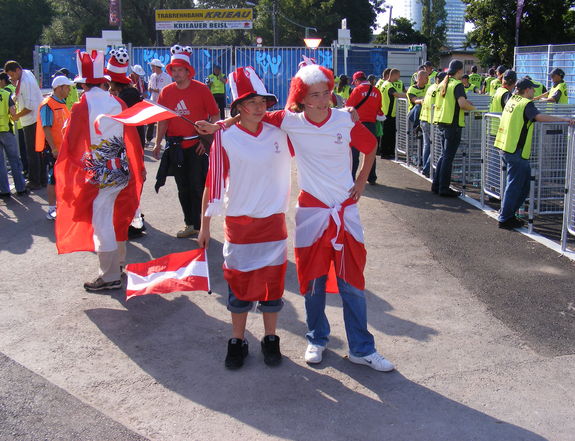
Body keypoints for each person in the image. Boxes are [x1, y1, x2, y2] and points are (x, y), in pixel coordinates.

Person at [198, 64, 395, 372]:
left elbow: (370, 148)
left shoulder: (343, 119)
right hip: (311, 212)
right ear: (301, 98)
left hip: (345, 211)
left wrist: (361, 182)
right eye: (314, 94)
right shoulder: (289, 122)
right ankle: (317, 338)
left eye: (326, 93)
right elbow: (249, 115)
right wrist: (222, 124)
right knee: (312, 282)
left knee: (353, 284)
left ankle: (361, 348)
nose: (322, 100)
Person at [198, 67, 290, 370]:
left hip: (273, 221)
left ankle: (270, 338)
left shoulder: (279, 132)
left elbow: (308, 117)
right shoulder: (225, 138)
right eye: (251, 102)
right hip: (240, 222)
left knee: (272, 286)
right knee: (238, 287)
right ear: (238, 106)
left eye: (263, 101)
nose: (260, 107)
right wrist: (204, 226)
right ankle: (237, 339)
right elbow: (212, 183)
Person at [55, 49, 144, 291]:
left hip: (99, 173)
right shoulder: (117, 101)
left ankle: (109, 275)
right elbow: (131, 136)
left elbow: (72, 142)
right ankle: (120, 264)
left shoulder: (82, 106)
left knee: (102, 219)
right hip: (120, 167)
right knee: (117, 216)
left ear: (83, 83)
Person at [154, 45, 220, 238]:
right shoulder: (166, 92)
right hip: (176, 147)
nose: (176, 73)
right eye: (173, 70)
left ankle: (201, 227)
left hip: (197, 147)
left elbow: (215, 116)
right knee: (182, 187)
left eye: (180, 69)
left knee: (197, 186)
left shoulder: (201, 89)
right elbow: (163, 120)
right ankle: (189, 224)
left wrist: (206, 141)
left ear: (188, 71)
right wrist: (158, 143)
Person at [494, 78, 575, 229]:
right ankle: (505, 218)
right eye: (532, 89)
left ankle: (508, 215)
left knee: (522, 185)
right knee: (515, 185)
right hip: (515, 150)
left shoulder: (513, 99)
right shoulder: (526, 103)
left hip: (507, 147)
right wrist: (564, 120)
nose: (534, 91)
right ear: (527, 90)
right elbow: (538, 117)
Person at [106, 48, 147, 239]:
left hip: (128, 146)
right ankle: (134, 220)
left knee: (128, 187)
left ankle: (134, 223)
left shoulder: (125, 97)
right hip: (130, 144)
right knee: (128, 185)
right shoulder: (129, 94)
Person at [431, 59, 476, 197]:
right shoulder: (457, 84)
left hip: (442, 122)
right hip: (453, 124)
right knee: (448, 157)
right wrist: (474, 108)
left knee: (444, 156)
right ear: (459, 71)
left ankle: (437, 185)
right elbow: (462, 104)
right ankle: (444, 187)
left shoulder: (443, 84)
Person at [35, 75, 72, 219]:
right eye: (67, 87)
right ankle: (51, 209)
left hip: (62, 148)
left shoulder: (61, 103)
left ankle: (62, 205)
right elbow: (46, 127)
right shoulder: (48, 104)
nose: (69, 90)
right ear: (60, 88)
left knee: (62, 177)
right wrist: (53, 148)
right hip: (53, 149)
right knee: (53, 178)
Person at [4, 60, 44, 190]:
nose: (11, 78)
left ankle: (34, 181)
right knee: (38, 151)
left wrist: (16, 116)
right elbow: (20, 94)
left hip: (31, 120)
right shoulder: (26, 74)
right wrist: (14, 98)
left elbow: (29, 107)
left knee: (32, 152)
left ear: (17, 70)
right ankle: (41, 179)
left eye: (12, 75)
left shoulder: (25, 82)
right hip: (35, 118)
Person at [346, 71, 384, 184]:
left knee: (354, 153)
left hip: (357, 125)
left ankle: (351, 177)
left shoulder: (357, 90)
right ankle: (371, 177)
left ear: (357, 81)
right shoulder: (376, 91)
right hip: (371, 124)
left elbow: (348, 107)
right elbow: (379, 109)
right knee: (370, 152)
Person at [0, 77, 26, 198]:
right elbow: (13, 113)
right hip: (7, 130)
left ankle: (4, 191)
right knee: (14, 160)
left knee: (0, 163)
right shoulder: (6, 94)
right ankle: (20, 188)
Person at [419, 72, 446, 178]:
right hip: (431, 120)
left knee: (427, 145)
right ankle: (427, 168)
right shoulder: (440, 89)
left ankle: (426, 168)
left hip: (424, 118)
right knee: (435, 146)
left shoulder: (431, 87)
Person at [380, 68, 405, 159]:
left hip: (388, 113)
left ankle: (389, 152)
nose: (399, 78)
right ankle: (386, 153)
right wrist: (409, 96)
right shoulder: (388, 85)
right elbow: (396, 94)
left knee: (389, 134)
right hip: (388, 114)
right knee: (387, 135)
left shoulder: (386, 84)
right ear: (394, 75)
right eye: (398, 75)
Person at [146, 58, 172, 144]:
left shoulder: (166, 77)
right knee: (151, 120)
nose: (152, 68)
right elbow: (150, 86)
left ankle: (167, 139)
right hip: (153, 100)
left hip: (163, 102)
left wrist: (157, 90)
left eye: (153, 66)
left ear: (157, 67)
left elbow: (168, 89)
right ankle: (148, 139)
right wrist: (150, 88)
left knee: (163, 121)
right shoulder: (152, 76)